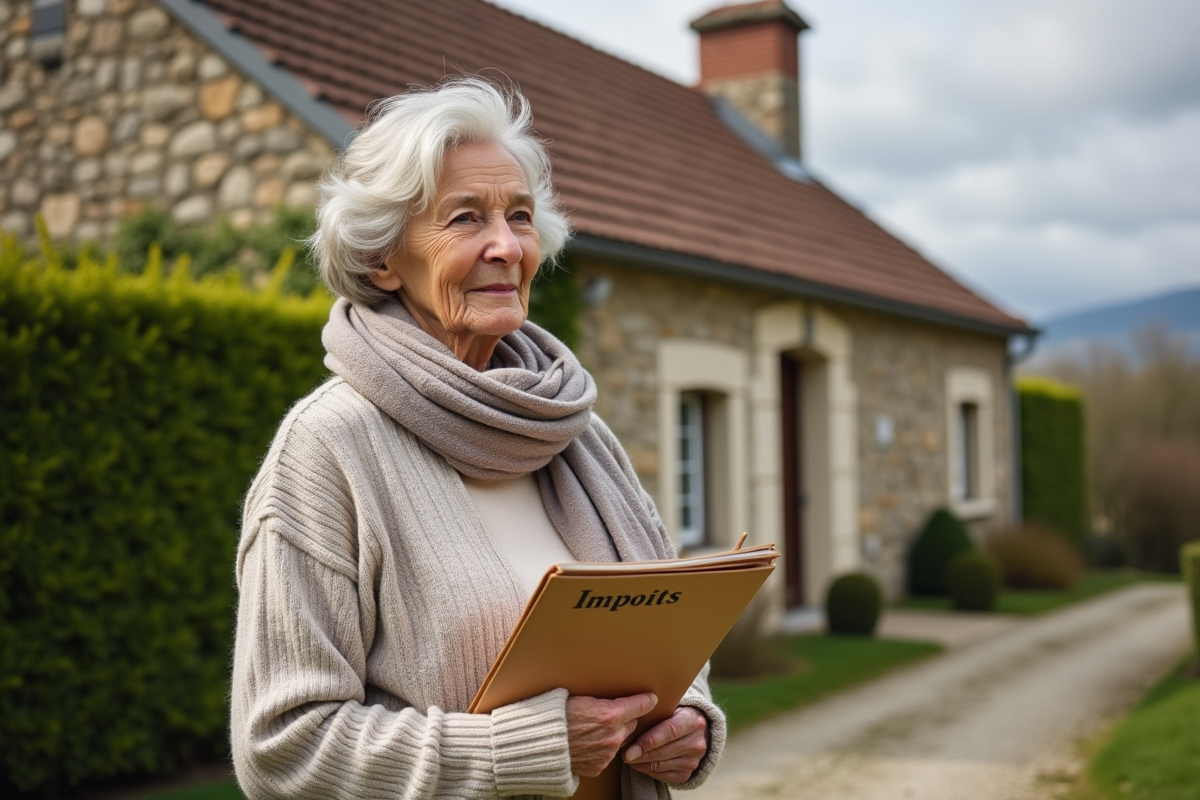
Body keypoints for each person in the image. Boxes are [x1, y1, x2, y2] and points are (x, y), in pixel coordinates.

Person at [229, 77, 726, 800]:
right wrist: (522, 747)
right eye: (465, 219)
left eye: (519, 216)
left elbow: (663, 641)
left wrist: (690, 722)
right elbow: (283, 748)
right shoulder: (327, 448)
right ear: (382, 259)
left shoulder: (576, 432)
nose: (505, 245)